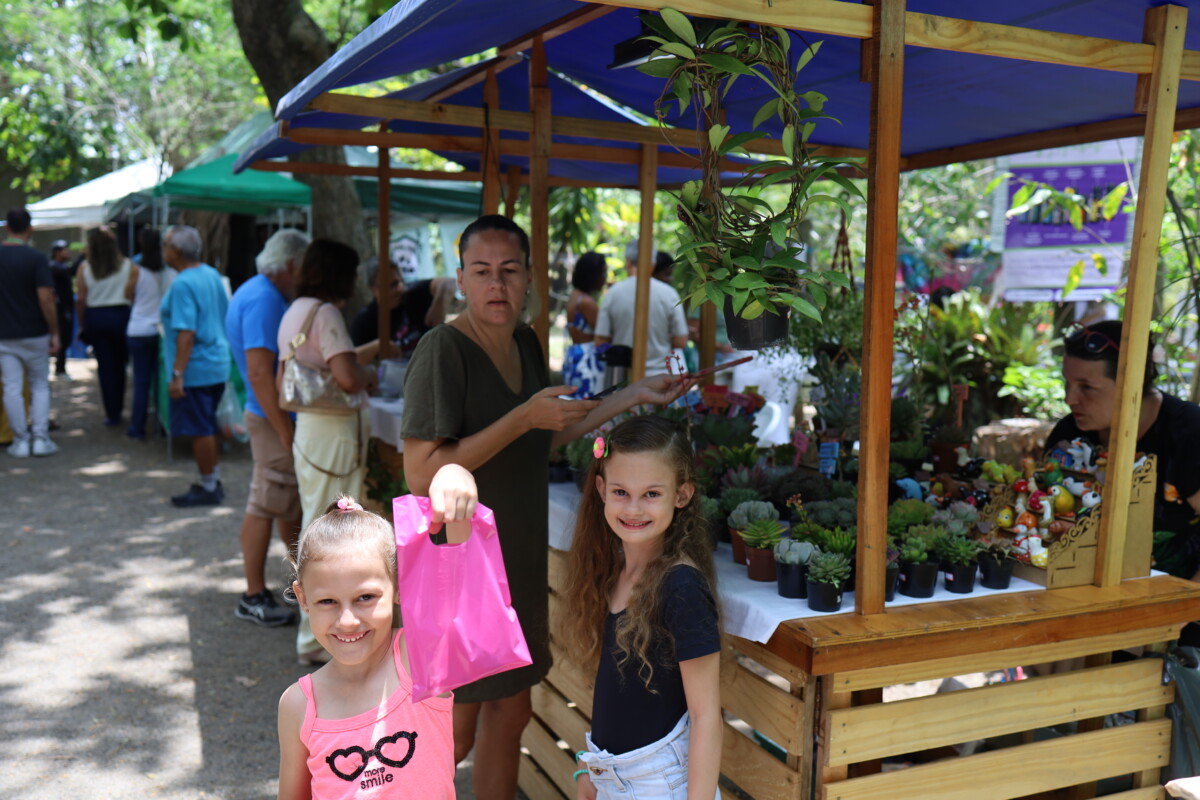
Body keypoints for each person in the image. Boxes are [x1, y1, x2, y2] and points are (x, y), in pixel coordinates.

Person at [401, 215, 692, 800]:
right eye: (482, 272)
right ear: (460, 279)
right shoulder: (443, 348)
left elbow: (545, 436)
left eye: (510, 271)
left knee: (511, 714)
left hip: (519, 559)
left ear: (531, 278)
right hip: (462, 569)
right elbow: (423, 472)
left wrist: (634, 393)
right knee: (451, 733)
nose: (497, 285)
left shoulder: (528, 341)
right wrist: (522, 417)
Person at [276, 463, 476, 800]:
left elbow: (468, 591)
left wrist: (456, 476)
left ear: (400, 586)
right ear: (303, 598)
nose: (348, 620)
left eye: (365, 598)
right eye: (327, 601)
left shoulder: (421, 661)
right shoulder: (298, 705)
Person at [558, 415, 721, 800]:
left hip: (659, 786)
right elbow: (616, 693)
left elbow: (706, 716)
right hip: (614, 778)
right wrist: (590, 768)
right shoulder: (614, 572)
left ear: (681, 496)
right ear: (600, 489)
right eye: (620, 492)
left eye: (651, 494)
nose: (633, 508)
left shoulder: (681, 588)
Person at [277, 239, 379, 665]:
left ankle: (314, 631)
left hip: (311, 431)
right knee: (337, 532)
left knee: (317, 525)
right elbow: (347, 377)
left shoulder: (295, 309)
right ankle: (319, 638)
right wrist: (369, 373)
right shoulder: (327, 313)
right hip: (334, 432)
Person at [1044, 319, 1200, 581]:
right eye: (1067, 384)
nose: (1070, 399)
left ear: (1133, 383)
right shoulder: (1068, 434)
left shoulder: (1188, 432)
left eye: (1086, 388)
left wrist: (1189, 608)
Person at [226, 228, 310, 627]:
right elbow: (260, 373)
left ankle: (290, 587)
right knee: (265, 503)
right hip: (268, 416)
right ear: (291, 265)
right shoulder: (264, 298)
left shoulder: (256, 291)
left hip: (265, 413)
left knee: (280, 503)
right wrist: (284, 429)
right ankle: (253, 594)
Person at [160, 225, 231, 507]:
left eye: (165, 245)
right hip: (215, 361)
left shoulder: (183, 283)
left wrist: (177, 374)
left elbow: (186, 333)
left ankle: (209, 486)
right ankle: (210, 478)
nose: (163, 250)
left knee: (200, 428)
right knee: (206, 425)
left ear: (175, 251)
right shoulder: (211, 274)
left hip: (197, 369)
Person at [0, 208, 60, 457]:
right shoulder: (36, 258)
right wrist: (55, 330)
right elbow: (46, 298)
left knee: (11, 387)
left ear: (6, 228)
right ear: (30, 229)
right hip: (34, 333)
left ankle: (20, 441)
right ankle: (40, 438)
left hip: (4, 334)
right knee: (39, 385)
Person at [595, 243, 689, 377]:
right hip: (659, 377)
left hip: (621, 377)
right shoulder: (669, 294)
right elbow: (680, 341)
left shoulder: (613, 294)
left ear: (628, 262)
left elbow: (600, 341)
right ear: (653, 264)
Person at [76, 227, 137, 427]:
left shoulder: (85, 267)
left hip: (96, 317)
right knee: (120, 364)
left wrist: (83, 324)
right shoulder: (128, 266)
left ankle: (112, 413)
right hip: (121, 316)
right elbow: (131, 295)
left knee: (105, 367)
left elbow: (82, 299)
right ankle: (118, 407)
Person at [125, 228, 176, 440]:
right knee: (161, 380)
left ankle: (138, 427)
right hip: (162, 331)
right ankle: (162, 425)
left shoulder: (136, 270)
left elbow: (127, 294)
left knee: (141, 382)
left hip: (138, 330)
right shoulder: (172, 272)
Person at [348, 256, 455, 355]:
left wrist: (439, 304)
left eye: (397, 283)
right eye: (388, 286)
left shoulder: (412, 294)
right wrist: (378, 346)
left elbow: (449, 282)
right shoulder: (364, 320)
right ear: (374, 290)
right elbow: (353, 359)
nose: (396, 291)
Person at [562, 251, 608, 399]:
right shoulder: (586, 302)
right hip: (588, 362)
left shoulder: (574, 296)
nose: (605, 279)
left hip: (574, 356)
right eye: (603, 274)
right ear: (593, 275)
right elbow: (606, 332)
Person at [48, 240, 76, 379]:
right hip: (58, 309)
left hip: (66, 308)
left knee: (65, 338)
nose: (67, 252)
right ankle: (59, 368)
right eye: (64, 250)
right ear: (57, 252)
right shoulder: (53, 267)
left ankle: (60, 367)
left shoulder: (62, 267)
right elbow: (72, 271)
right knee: (61, 337)